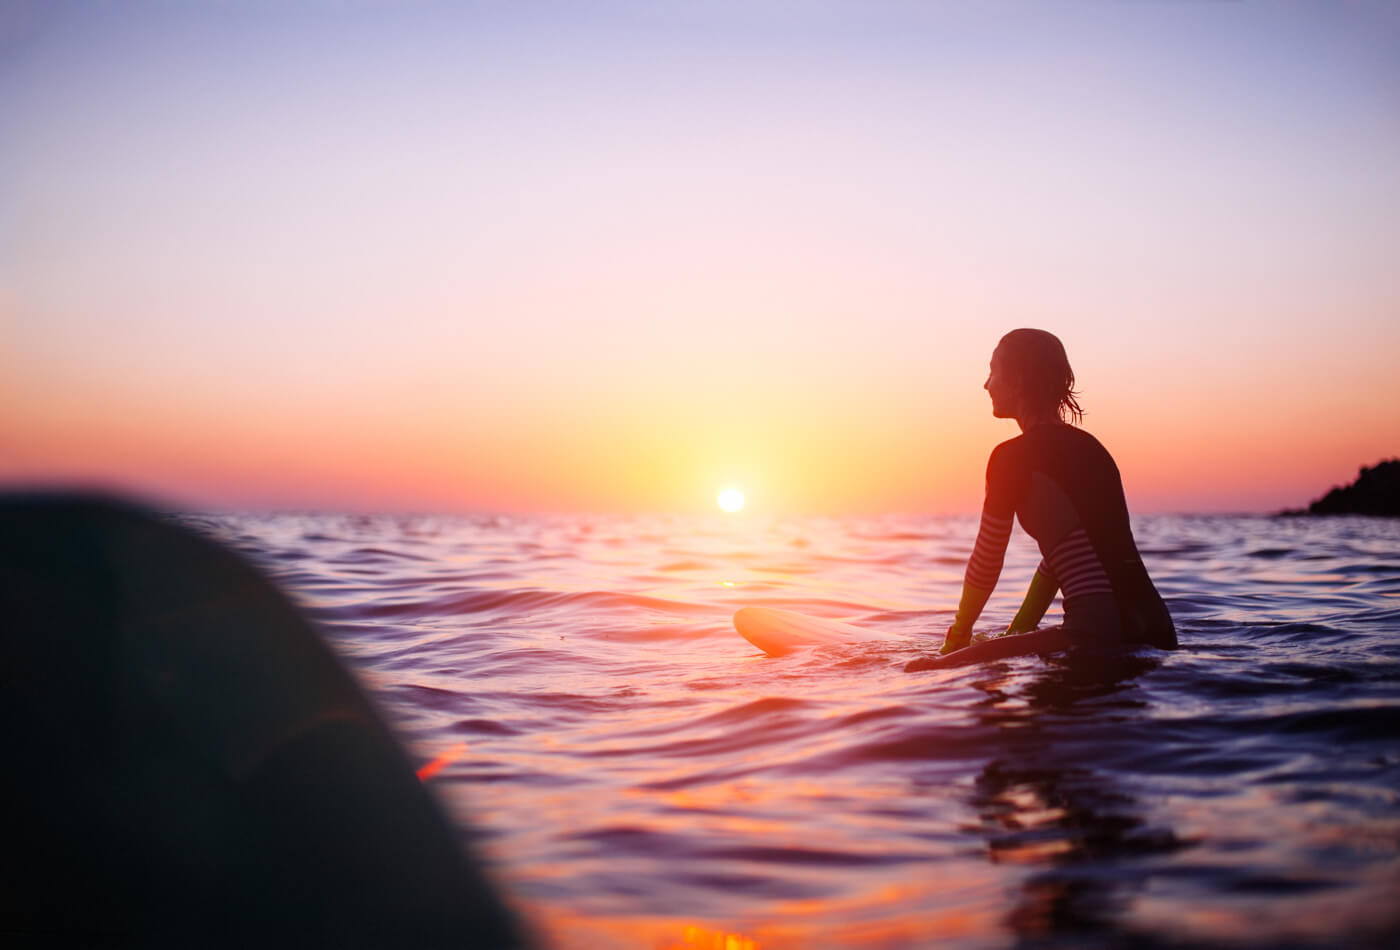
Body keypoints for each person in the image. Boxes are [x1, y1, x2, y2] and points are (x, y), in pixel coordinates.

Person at [907, 329, 1176, 672]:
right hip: (1158, 625)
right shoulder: (1093, 449)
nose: (986, 385)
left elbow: (987, 560)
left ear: (1018, 380)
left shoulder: (1011, 458)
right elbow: (1063, 558)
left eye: (993, 371)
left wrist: (956, 639)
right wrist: (1018, 631)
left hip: (1100, 631)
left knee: (923, 670)